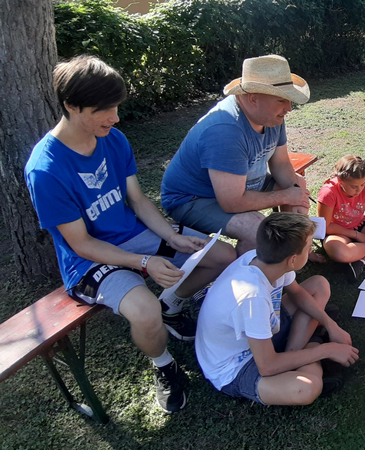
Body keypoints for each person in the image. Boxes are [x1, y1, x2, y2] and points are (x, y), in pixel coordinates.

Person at [24, 55, 237, 414]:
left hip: (133, 235)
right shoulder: (45, 170)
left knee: (221, 256)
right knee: (144, 311)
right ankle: (164, 365)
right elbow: (82, 243)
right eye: (105, 109)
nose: (116, 117)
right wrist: (144, 262)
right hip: (87, 261)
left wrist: (172, 238)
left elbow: (137, 200)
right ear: (72, 106)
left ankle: (172, 307)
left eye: (117, 107)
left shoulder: (114, 139)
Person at [160, 55, 323, 261]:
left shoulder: (270, 116)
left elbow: (281, 163)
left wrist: (296, 194)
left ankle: (293, 250)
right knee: (257, 229)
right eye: (281, 100)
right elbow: (232, 203)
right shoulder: (225, 131)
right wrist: (287, 196)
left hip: (241, 184)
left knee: (296, 184)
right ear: (253, 98)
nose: (289, 108)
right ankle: (247, 276)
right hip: (193, 198)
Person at [195, 213, 359, 405]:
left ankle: (295, 355)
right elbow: (267, 366)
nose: (310, 251)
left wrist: (330, 325)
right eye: (308, 247)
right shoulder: (253, 297)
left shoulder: (263, 260)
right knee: (306, 388)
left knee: (319, 285)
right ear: (292, 260)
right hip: (237, 365)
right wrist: (327, 350)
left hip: (262, 333)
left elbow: (298, 293)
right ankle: (312, 344)